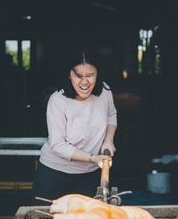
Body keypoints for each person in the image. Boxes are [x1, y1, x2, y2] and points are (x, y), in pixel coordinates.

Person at [33, 48, 117, 200]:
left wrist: (108, 141)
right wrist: (93, 158)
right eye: (78, 76)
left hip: (89, 175)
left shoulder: (104, 91)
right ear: (69, 74)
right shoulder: (58, 101)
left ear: (97, 74)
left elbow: (111, 114)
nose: (85, 82)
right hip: (54, 174)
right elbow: (58, 144)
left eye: (90, 75)